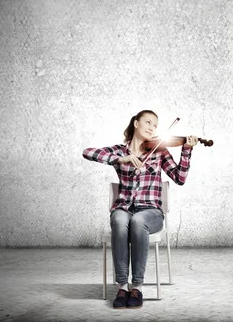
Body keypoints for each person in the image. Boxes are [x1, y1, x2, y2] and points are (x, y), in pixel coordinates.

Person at [82, 110, 198, 309]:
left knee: (138, 221)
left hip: (150, 212)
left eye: (155, 125)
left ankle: (137, 286)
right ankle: (122, 287)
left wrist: (186, 149)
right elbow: (88, 152)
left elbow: (180, 178)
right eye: (148, 122)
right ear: (136, 123)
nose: (152, 127)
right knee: (119, 220)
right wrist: (121, 159)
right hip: (124, 208)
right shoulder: (120, 151)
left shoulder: (160, 151)